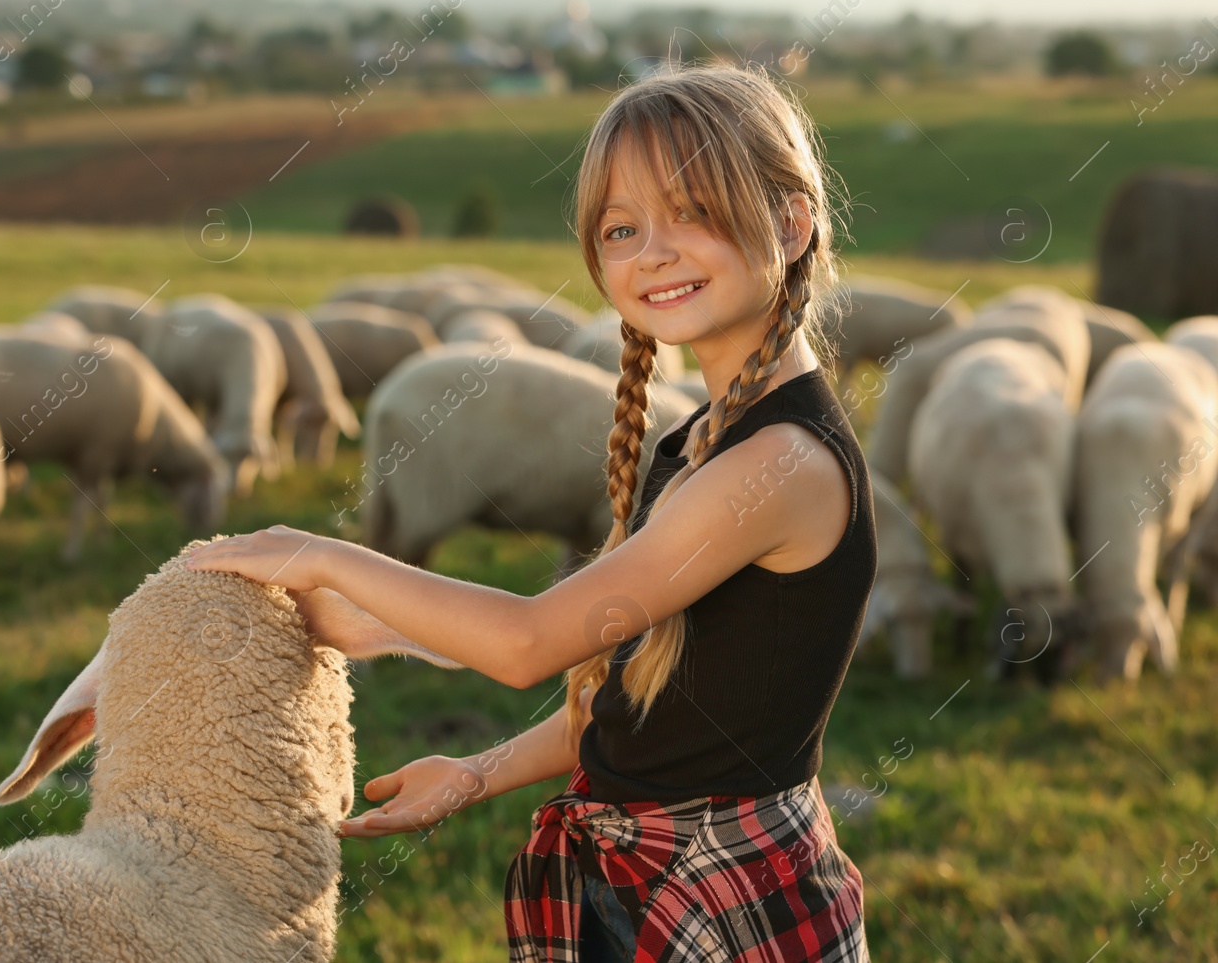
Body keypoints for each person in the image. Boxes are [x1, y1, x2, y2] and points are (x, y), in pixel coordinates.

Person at [186, 58, 874, 962]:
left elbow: (527, 642)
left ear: (790, 224)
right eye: (621, 228)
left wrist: (319, 552)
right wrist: (474, 774)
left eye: (693, 212)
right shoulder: (712, 439)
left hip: (722, 901)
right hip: (654, 883)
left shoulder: (778, 464)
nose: (652, 251)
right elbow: (637, 712)